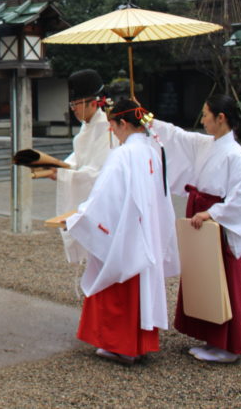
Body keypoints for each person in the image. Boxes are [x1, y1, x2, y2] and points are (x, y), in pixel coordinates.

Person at [65, 99, 179, 365]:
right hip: (147, 230)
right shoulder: (154, 150)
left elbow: (106, 197)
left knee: (114, 281)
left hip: (126, 232)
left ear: (124, 124)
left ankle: (121, 344)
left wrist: (81, 217)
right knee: (141, 284)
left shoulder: (123, 154)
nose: (112, 132)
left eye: (113, 127)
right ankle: (137, 344)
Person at [151, 95, 241, 363]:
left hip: (216, 223)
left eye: (206, 114)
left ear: (220, 118)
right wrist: (147, 121)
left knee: (221, 280)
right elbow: (176, 136)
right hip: (202, 214)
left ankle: (227, 345)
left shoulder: (234, 154)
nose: (202, 119)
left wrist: (213, 213)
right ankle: (212, 338)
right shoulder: (207, 144)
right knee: (203, 278)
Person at [49, 69, 114, 263]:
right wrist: (58, 167)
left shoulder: (107, 129)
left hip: (107, 208)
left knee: (104, 261)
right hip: (93, 206)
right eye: (72, 104)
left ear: (93, 103)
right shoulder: (88, 125)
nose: (73, 109)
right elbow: (77, 159)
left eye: (76, 104)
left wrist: (61, 174)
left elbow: (97, 173)